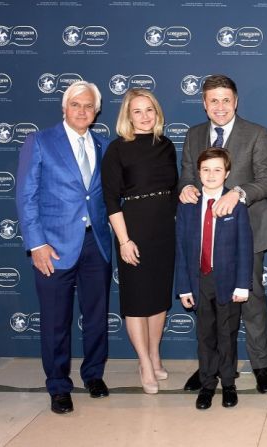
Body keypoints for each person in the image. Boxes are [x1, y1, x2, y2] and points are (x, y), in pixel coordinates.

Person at [15, 81, 112, 414]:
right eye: (76, 105)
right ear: (64, 108)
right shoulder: (39, 142)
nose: (82, 111)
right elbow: (26, 197)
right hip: (53, 247)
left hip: (96, 244)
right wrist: (36, 244)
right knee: (56, 320)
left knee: (97, 316)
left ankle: (94, 375)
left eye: (88, 106)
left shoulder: (103, 144)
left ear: (96, 111)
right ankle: (58, 385)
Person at [178, 75, 267, 394]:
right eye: (213, 100)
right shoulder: (193, 136)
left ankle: (261, 366)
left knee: (251, 300)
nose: (220, 106)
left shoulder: (256, 133)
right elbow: (186, 178)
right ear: (204, 104)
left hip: (245, 234)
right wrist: (188, 188)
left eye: (225, 99)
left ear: (235, 101)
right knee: (208, 306)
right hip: (205, 238)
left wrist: (239, 193)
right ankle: (213, 367)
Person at [101, 88, 177, 394]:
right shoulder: (118, 149)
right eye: (137, 111)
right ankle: (144, 363)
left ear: (157, 113)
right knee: (136, 301)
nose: (145, 116)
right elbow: (110, 199)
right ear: (127, 116)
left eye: (149, 110)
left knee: (158, 299)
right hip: (133, 229)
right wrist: (124, 240)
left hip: (163, 230)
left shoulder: (167, 145)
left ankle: (155, 354)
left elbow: (174, 188)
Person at [175, 148, 254, 410]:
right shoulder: (187, 206)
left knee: (227, 334)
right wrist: (184, 286)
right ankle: (208, 384)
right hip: (199, 280)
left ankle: (228, 383)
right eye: (206, 169)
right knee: (205, 335)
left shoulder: (236, 206)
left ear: (227, 173)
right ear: (198, 173)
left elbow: (244, 247)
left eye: (217, 169)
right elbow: (181, 250)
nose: (211, 174)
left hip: (229, 283)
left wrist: (243, 284)